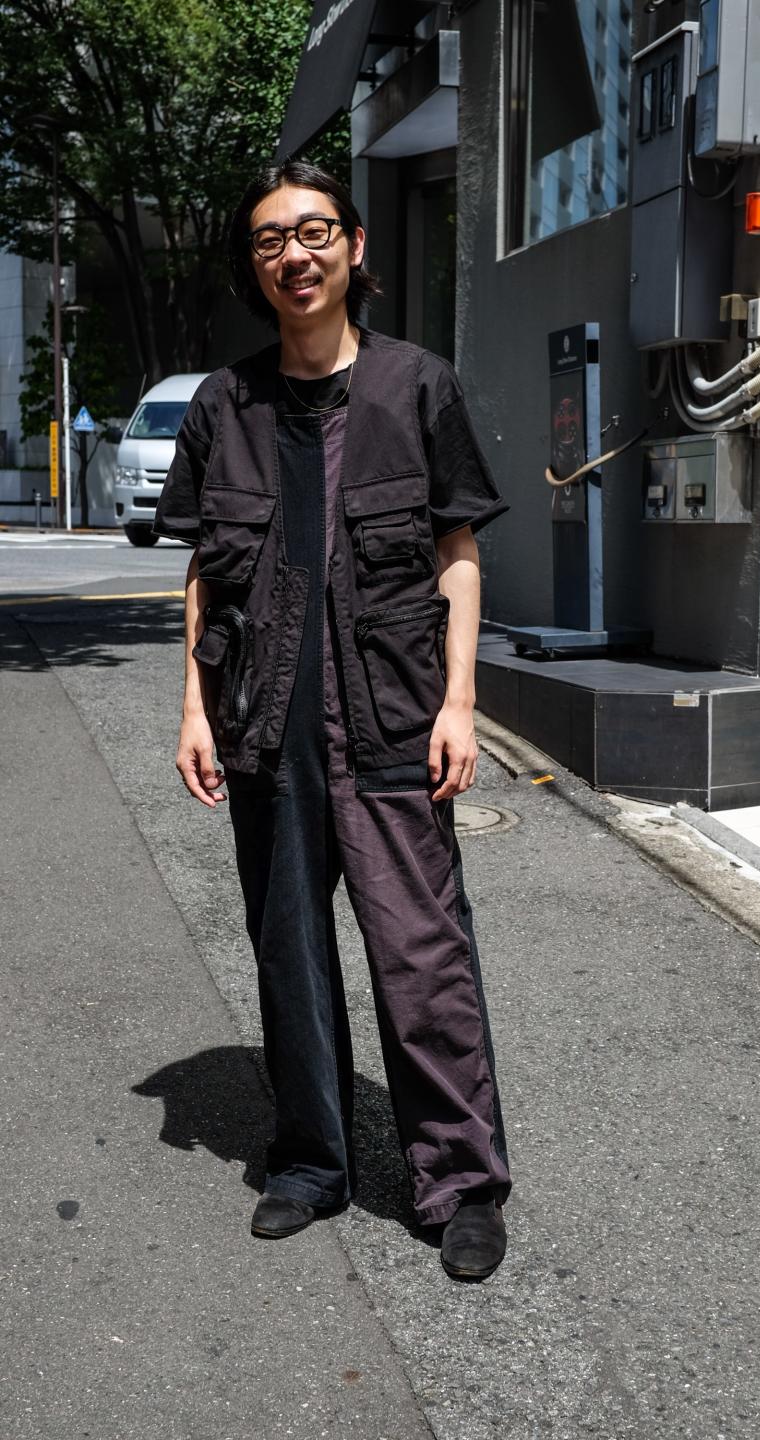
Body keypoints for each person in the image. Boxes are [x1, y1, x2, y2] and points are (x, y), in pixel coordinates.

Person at [152, 159, 512, 1281]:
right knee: (288, 954)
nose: (292, 256)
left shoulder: (418, 388)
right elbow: (208, 572)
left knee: (422, 956)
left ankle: (459, 1182)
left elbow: (458, 554)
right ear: (255, 270)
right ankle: (311, 1160)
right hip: (265, 729)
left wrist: (461, 703)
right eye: (269, 242)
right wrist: (193, 713)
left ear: (355, 248)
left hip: (396, 721)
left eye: (312, 233)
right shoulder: (226, 404)